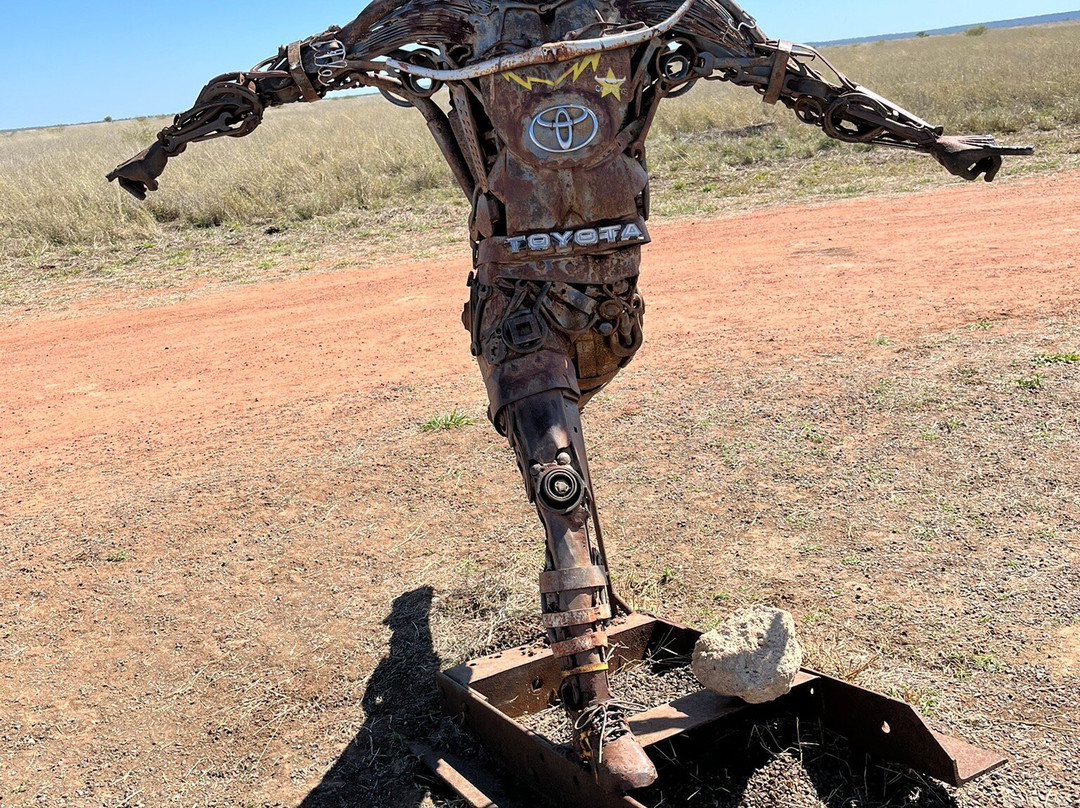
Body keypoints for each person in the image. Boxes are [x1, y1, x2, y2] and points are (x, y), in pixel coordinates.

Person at [108, 0, 1030, 792]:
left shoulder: (649, 8)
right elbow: (271, 82)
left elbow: (793, 77)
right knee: (559, 480)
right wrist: (161, 150)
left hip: (614, 304)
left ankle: (513, 611)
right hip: (518, 302)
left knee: (571, 461)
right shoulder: (447, 18)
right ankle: (594, 710)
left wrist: (930, 138)